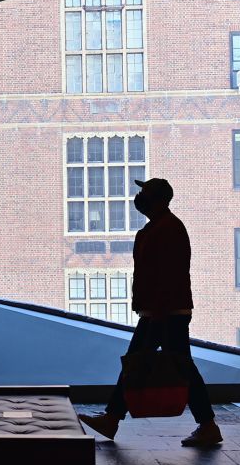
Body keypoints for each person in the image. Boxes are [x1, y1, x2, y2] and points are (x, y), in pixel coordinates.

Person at [79, 178, 223, 447]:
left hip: (165, 312)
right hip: (160, 310)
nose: (140, 196)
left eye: (145, 192)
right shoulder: (158, 227)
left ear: (158, 198)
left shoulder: (168, 229)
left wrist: (157, 310)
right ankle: (114, 419)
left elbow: (168, 274)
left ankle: (206, 424)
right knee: (163, 364)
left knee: (171, 366)